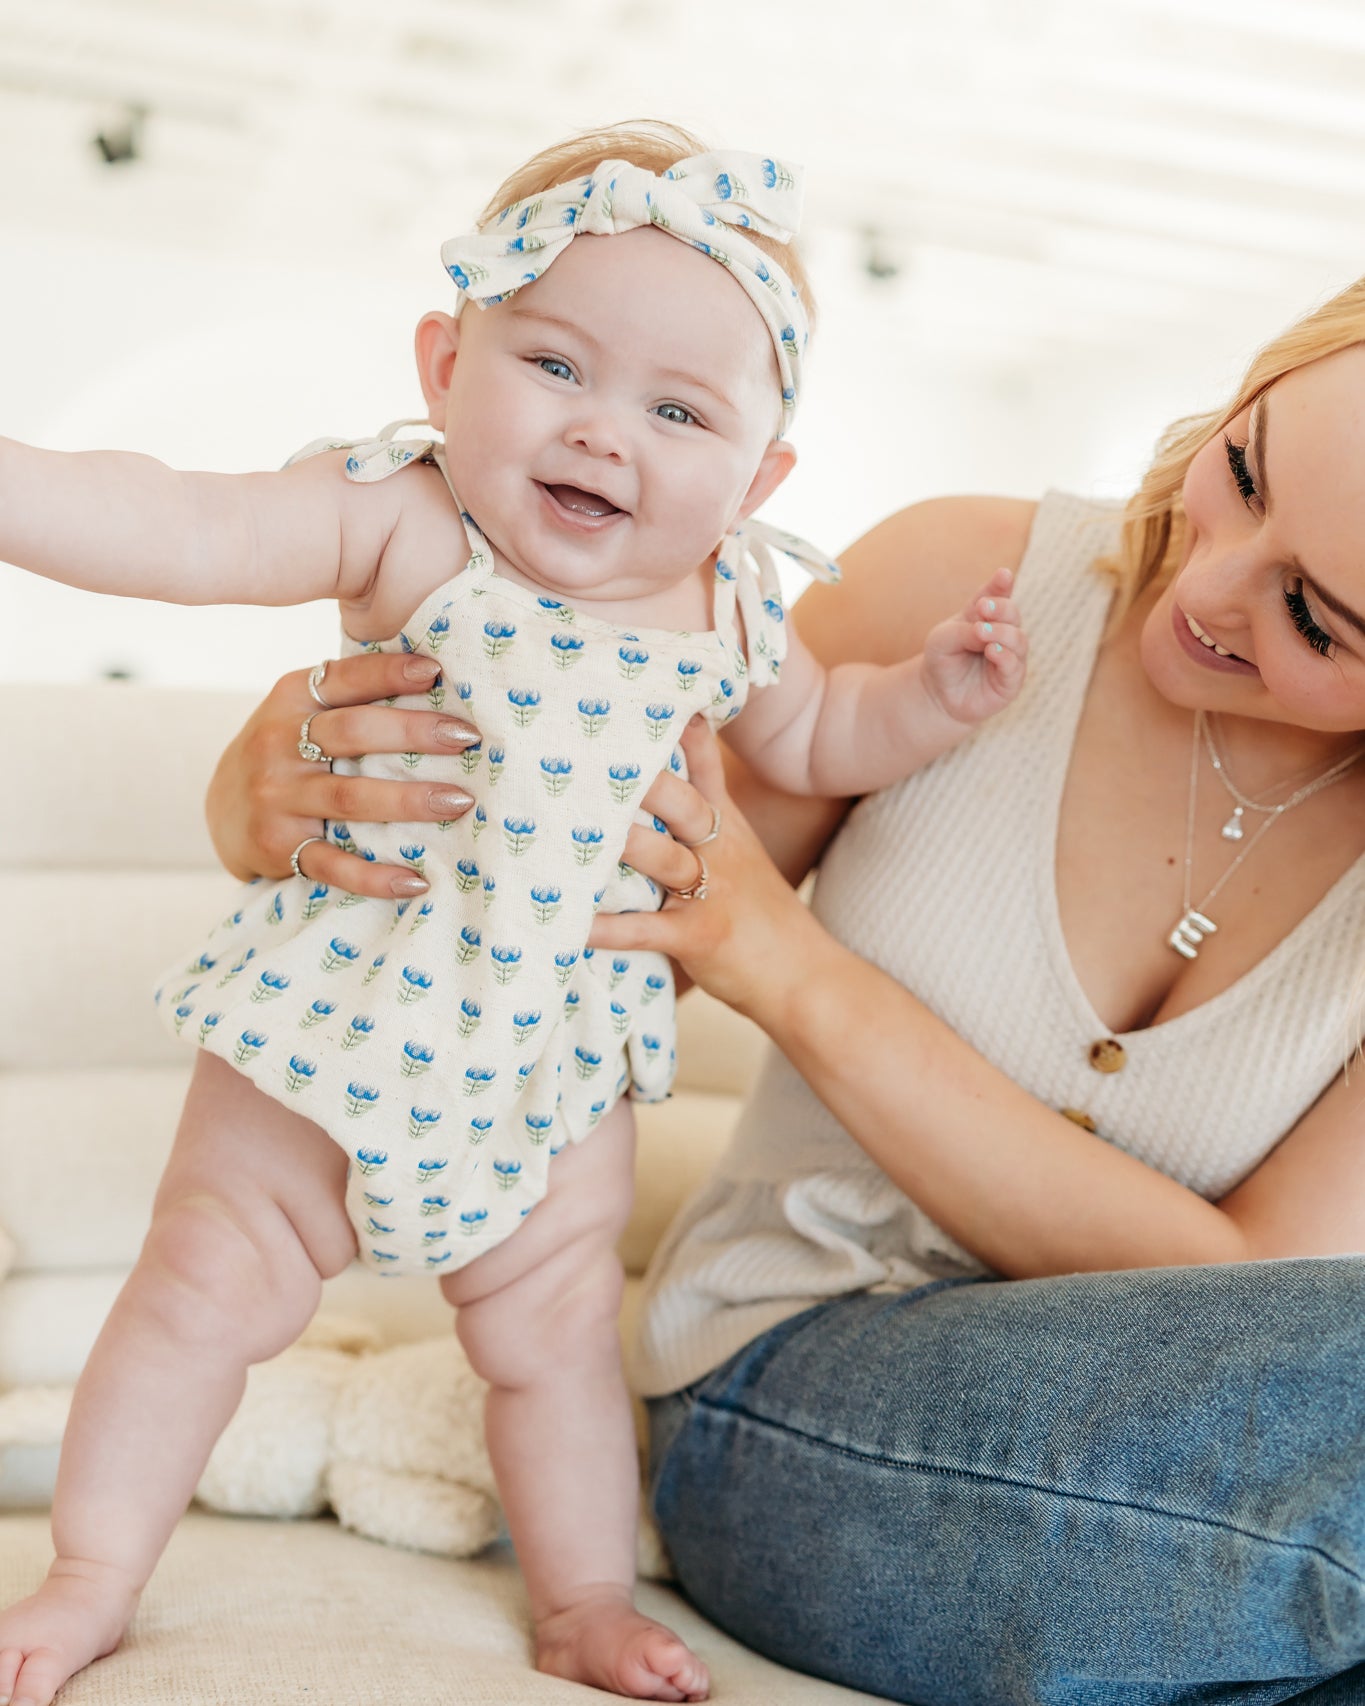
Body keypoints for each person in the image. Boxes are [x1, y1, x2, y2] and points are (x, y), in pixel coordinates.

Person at [199, 277, 1365, 1704]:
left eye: (1315, 615)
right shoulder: (965, 589)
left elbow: (1252, 1309)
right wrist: (261, 806)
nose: (1203, 585)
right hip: (790, 1397)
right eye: (1237, 471)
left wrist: (788, 960)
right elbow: (538, 891)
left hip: (1208, 1502)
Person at [0, 123, 1027, 1706]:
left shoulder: (738, 602)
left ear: (756, 479)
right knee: (204, 1282)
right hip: (338, 1008)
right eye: (553, 364)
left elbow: (823, 741)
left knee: (552, 1339)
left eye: (677, 410)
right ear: (442, 361)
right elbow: (184, 527)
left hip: (553, 1061)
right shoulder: (406, 521)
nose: (603, 436)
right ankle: (87, 1578)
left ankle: (581, 1605)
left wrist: (935, 697)